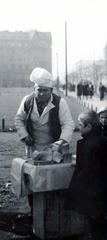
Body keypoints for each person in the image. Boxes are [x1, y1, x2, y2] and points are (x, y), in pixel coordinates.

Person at [64, 110, 107, 240]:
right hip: (101, 191)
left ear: (89, 127)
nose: (78, 128)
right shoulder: (101, 140)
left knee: (95, 224)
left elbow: (88, 171)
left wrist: (76, 186)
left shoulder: (91, 145)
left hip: (93, 193)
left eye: (80, 125)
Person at [15, 67, 74, 156]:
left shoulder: (60, 103)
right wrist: (24, 135)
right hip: (33, 147)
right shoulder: (27, 101)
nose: (42, 93)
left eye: (45, 90)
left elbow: (68, 123)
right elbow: (19, 119)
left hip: (54, 147)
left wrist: (62, 141)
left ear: (51, 90)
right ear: (34, 89)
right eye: (39, 90)